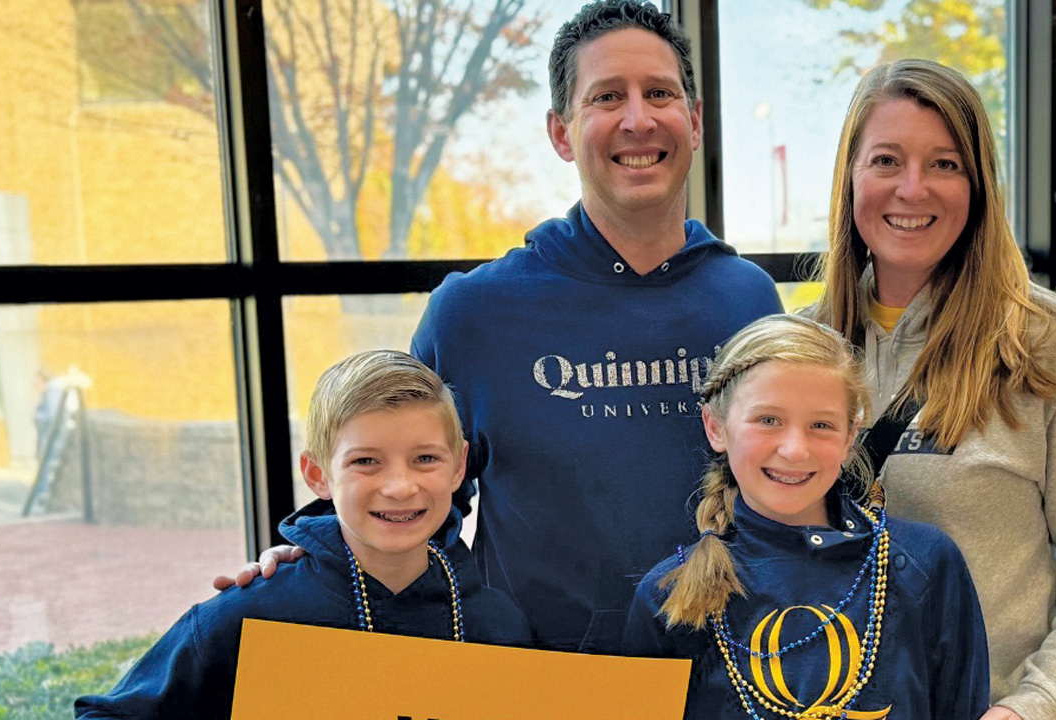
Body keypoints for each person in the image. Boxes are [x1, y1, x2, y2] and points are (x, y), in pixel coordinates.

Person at [215, 0, 782, 655]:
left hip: (732, 670)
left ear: (694, 120)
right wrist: (306, 567)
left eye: (659, 93)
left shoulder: (748, 301)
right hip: (545, 678)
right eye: (605, 97)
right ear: (561, 133)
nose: (637, 118)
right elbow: (409, 482)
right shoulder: (475, 312)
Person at [805, 59, 1056, 719]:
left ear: (978, 187)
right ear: (849, 178)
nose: (912, 189)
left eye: (945, 164)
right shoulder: (803, 350)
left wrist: (1038, 704)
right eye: (885, 160)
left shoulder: (1041, 344)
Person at [77, 351, 530, 718]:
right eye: (366, 461)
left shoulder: (497, 622)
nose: (399, 487)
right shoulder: (250, 615)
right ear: (317, 475)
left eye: (425, 459)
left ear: (458, 467)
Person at [622, 314, 990, 719]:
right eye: (768, 420)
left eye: (821, 425)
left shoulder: (926, 563)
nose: (795, 450)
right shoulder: (669, 594)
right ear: (716, 427)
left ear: (850, 438)